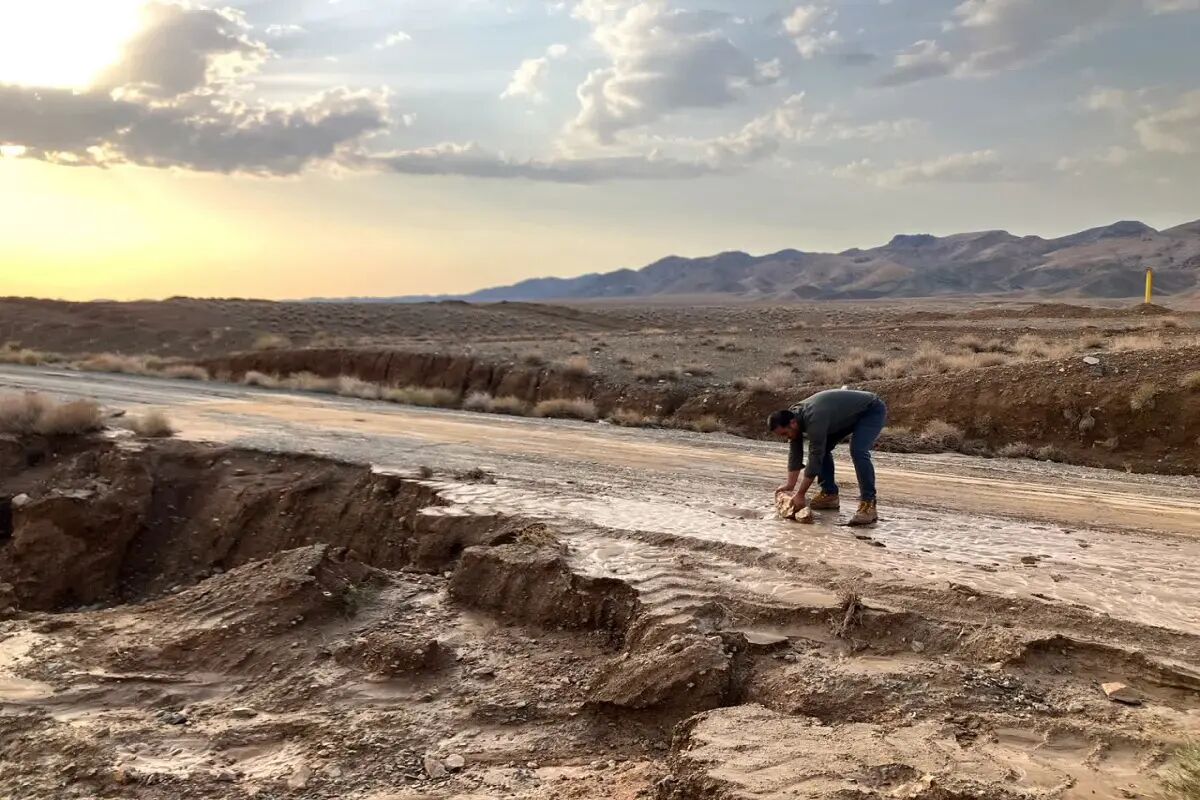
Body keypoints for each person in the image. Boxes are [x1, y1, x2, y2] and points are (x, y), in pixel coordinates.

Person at [768, 389, 888, 526]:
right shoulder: (792, 416)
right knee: (823, 449)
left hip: (871, 409)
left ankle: (869, 504)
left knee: (858, 451)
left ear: (793, 423)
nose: (786, 437)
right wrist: (790, 485)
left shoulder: (814, 419)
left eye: (784, 433)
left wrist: (800, 494)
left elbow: (815, 457)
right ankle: (829, 494)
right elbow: (795, 453)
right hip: (844, 415)